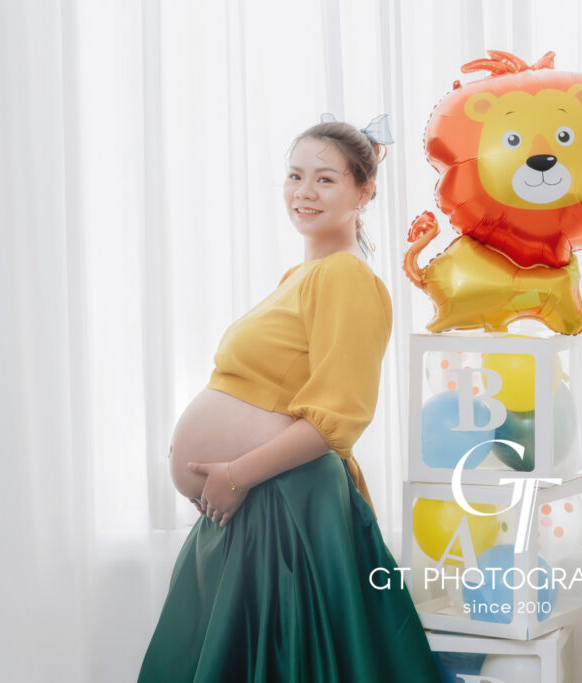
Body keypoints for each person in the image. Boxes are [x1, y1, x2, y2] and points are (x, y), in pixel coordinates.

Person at [138, 116, 442, 682]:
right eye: (295, 176)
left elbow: (339, 418)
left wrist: (236, 475)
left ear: (364, 192)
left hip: (283, 506)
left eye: (325, 179)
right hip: (255, 502)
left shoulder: (346, 277)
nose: (305, 191)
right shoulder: (298, 277)